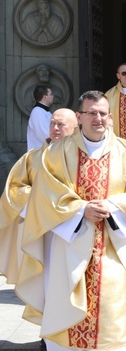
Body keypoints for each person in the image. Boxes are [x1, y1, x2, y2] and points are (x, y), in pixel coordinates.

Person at [14, 90, 126, 351]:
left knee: (117, 311)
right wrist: (79, 210)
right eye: (91, 113)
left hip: (116, 248)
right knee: (71, 311)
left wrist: (112, 206)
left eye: (103, 113)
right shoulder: (56, 154)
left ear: (110, 116)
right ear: (79, 117)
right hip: (71, 248)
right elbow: (45, 198)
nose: (98, 119)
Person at [1, 108, 78, 285]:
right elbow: (15, 187)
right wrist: (37, 199)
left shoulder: (83, 159)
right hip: (39, 224)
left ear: (74, 128)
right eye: (52, 123)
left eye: (61, 124)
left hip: (70, 223)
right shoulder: (32, 158)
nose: (55, 128)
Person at [27, 84, 54, 151]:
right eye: (51, 94)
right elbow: (45, 134)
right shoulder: (37, 112)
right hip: (39, 156)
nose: (53, 96)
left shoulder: (44, 112)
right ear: (45, 97)